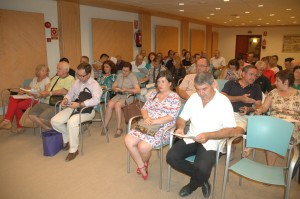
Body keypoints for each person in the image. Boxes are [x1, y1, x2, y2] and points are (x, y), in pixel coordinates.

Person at [166, 72, 237, 198]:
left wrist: (208, 135)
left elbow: (230, 130)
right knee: (171, 157)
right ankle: (202, 179)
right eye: (198, 89)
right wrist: (181, 128)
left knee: (202, 168)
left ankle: (193, 185)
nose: (201, 93)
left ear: (213, 84)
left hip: (213, 141)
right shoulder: (194, 98)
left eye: (204, 89)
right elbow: (181, 119)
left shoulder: (223, 102)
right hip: (192, 137)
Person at [124, 71, 181, 180]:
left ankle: (145, 161)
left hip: (164, 127)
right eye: (158, 81)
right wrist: (146, 117)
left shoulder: (174, 97)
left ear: (170, 83)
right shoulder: (153, 94)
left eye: (163, 81)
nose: (160, 84)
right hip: (147, 123)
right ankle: (142, 165)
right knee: (128, 140)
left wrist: (155, 121)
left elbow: (171, 116)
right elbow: (144, 108)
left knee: (143, 147)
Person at [51, 63, 102, 162]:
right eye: (77, 75)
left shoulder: (94, 84)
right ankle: (69, 139)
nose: (79, 77)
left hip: (88, 110)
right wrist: (66, 99)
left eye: (82, 75)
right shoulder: (76, 82)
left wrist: (80, 104)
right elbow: (70, 94)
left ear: (88, 74)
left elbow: (96, 100)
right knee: (55, 121)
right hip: (74, 106)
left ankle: (73, 150)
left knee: (72, 122)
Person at [254, 70, 300, 166]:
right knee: (272, 132)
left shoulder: (298, 94)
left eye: (277, 81)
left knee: (272, 135)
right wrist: (259, 110)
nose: (274, 83)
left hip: (293, 125)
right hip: (275, 123)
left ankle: (254, 143)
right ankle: (270, 168)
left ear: (286, 82)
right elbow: (264, 107)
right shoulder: (273, 92)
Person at [221, 65, 262, 160]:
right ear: (243, 74)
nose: (253, 77)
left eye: (255, 75)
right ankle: (227, 144)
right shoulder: (231, 83)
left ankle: (229, 144)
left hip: (241, 116)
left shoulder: (256, 87)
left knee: (237, 135)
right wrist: (240, 98)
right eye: (251, 74)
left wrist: (249, 109)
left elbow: (258, 106)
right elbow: (222, 98)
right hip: (225, 113)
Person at [0, 64, 50, 133]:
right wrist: (23, 90)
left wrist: (35, 93)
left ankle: (16, 125)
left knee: (17, 105)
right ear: (38, 71)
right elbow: (29, 88)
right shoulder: (35, 78)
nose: (45, 73)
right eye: (43, 71)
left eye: (46, 71)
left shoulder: (46, 80)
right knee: (12, 98)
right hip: (29, 96)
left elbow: (47, 92)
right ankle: (8, 120)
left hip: (37, 100)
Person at [28, 61, 74, 130]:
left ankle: (59, 131)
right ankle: (50, 130)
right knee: (31, 115)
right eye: (57, 68)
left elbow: (64, 91)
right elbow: (47, 90)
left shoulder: (70, 78)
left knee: (43, 118)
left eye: (59, 69)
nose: (57, 70)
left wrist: (49, 93)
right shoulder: (55, 78)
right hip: (46, 101)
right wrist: (39, 95)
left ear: (66, 70)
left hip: (57, 103)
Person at [104, 62, 141, 138]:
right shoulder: (120, 75)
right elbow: (114, 85)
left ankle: (119, 128)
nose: (124, 72)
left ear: (130, 71)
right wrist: (114, 88)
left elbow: (138, 90)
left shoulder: (132, 77)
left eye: (126, 71)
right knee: (110, 104)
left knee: (117, 105)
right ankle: (105, 125)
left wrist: (127, 90)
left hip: (128, 96)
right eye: (123, 70)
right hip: (119, 95)